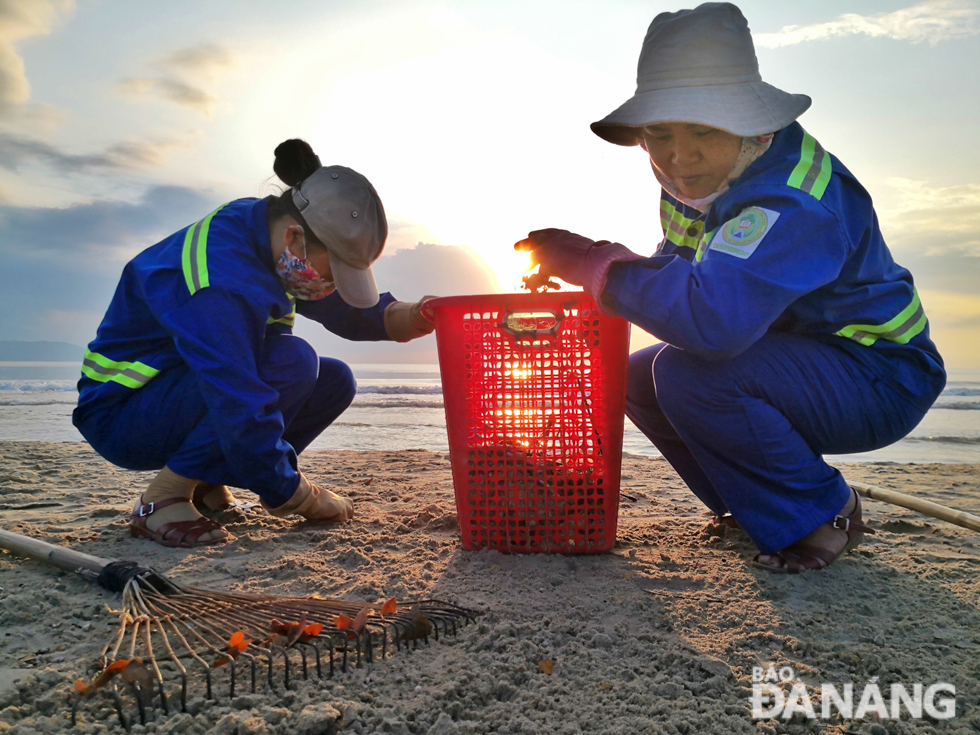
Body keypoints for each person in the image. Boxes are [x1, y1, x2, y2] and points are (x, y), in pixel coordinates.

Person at [516, 3, 946, 573]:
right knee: (638, 378)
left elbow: (712, 324)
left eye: (703, 129)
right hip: (805, 359)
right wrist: (593, 288)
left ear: (754, 126)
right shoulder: (702, 179)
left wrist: (593, 262)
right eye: (658, 133)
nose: (678, 155)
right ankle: (751, 507)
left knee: (688, 372)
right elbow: (676, 275)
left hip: (878, 373)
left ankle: (822, 510)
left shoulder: (793, 200)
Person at [73, 139, 436, 548]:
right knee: (293, 361)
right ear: (296, 239)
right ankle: (164, 497)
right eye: (333, 272)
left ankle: (205, 482)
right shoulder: (221, 280)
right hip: (125, 411)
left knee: (334, 379)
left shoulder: (265, 235)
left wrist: (408, 315)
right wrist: (295, 493)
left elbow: (335, 304)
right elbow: (236, 394)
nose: (332, 286)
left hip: (180, 391)